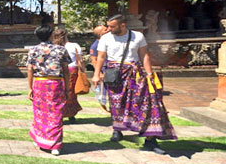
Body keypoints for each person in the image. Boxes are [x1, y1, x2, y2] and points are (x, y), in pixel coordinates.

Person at [92, 14, 176, 154]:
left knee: (146, 104)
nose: (109, 29)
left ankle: (151, 138)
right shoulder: (106, 38)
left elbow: (144, 55)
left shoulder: (138, 36)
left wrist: (149, 74)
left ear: (122, 25)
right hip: (114, 74)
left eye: (112, 26)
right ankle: (117, 129)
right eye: (108, 26)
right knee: (117, 103)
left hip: (135, 74)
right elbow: (100, 57)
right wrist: (96, 74)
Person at [27, 25, 71, 156]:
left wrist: (30, 87)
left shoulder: (33, 50)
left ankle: (40, 139)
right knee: (56, 113)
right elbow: (66, 71)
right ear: (51, 35)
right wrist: (67, 88)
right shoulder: (60, 50)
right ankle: (55, 145)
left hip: (40, 83)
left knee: (40, 113)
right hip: (55, 83)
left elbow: (30, 69)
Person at [53, 28, 83, 123]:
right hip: (72, 70)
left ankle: (60, 113)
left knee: (59, 93)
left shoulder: (54, 47)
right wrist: (83, 71)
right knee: (71, 93)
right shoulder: (74, 46)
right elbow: (80, 60)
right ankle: (71, 114)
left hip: (59, 71)